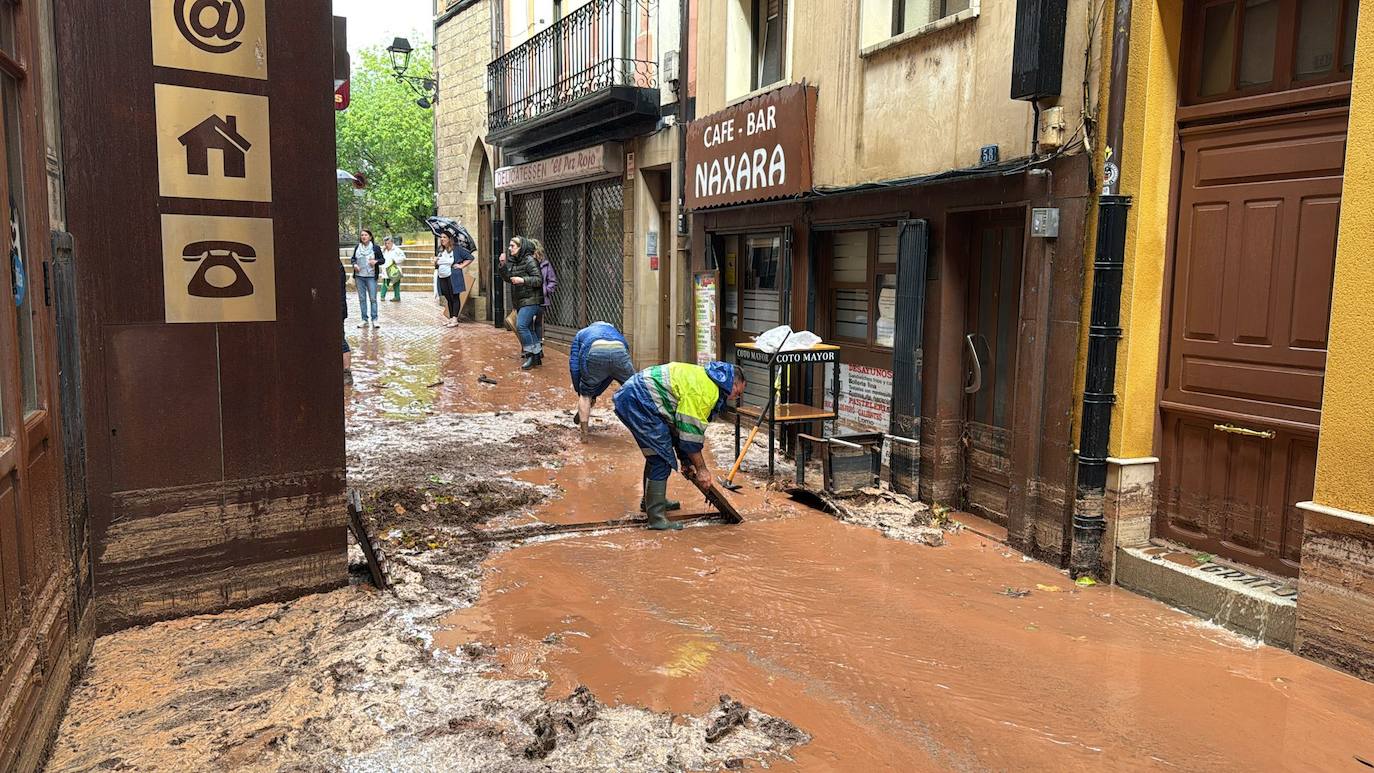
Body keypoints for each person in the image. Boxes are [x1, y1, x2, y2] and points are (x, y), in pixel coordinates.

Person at [612, 361, 746, 530]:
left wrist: (685, 460)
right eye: (738, 392)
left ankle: (652, 502)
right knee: (660, 458)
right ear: (733, 384)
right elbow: (690, 435)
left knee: (656, 453)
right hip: (639, 400)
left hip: (638, 397)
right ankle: (656, 519)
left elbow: (679, 428)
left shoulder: (708, 380)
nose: (736, 397)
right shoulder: (706, 392)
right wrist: (702, 469)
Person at [499, 236, 543, 369]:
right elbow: (508, 278)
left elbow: (538, 280)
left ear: (520, 247)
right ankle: (537, 356)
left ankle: (530, 355)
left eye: (513, 246)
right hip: (520, 300)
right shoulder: (514, 261)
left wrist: (523, 280)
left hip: (531, 300)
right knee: (528, 328)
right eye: (510, 245)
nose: (509, 248)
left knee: (521, 326)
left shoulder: (530, 260)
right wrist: (502, 265)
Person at [434, 232, 475, 327]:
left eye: (444, 237)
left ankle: (455, 319)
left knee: (454, 297)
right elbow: (437, 264)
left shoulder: (457, 249)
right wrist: (435, 262)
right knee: (448, 297)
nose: (442, 239)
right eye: (441, 237)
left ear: (449, 239)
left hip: (453, 276)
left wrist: (461, 266)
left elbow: (470, 258)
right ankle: (451, 318)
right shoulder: (440, 250)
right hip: (442, 276)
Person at [351, 229, 383, 327]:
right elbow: (353, 259)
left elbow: (382, 260)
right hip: (359, 276)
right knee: (362, 299)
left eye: (366, 235)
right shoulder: (357, 247)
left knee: (373, 298)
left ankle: (375, 319)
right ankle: (364, 319)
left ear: (370, 237)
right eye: (362, 235)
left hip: (371, 276)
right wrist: (354, 264)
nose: (363, 237)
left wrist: (376, 262)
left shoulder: (375, 248)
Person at [532, 238, 558, 340]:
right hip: (528, 299)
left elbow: (552, 281)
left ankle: (538, 348)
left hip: (541, 300)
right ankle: (528, 348)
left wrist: (545, 291)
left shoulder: (545, 264)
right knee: (527, 324)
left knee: (538, 324)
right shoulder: (527, 263)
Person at [379, 236, 406, 302]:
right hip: (386, 269)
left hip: (394, 269)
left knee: (396, 283)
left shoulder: (397, 250)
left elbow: (403, 258)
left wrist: (395, 260)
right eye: (385, 243)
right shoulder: (383, 250)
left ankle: (397, 297)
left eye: (388, 243)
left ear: (392, 242)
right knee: (385, 282)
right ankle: (382, 296)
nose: (387, 245)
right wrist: (382, 250)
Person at [340, 260, 352, 385]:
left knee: (341, 341)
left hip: (337, 309)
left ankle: (346, 371)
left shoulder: (336, 266)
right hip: (338, 308)